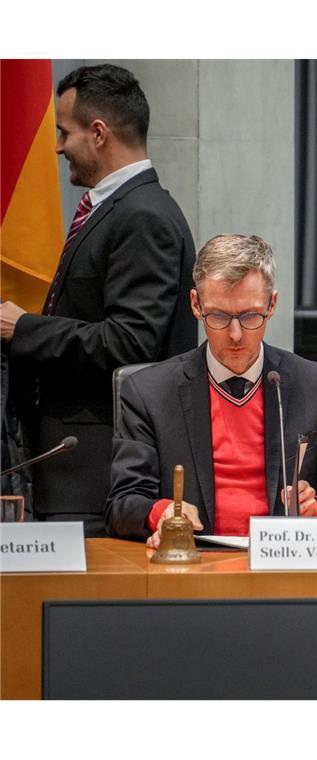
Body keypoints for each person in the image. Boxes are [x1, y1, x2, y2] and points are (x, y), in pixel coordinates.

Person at [0, 64, 196, 534]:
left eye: (64, 132)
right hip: (70, 466)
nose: (57, 146)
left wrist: (23, 328)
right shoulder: (118, 209)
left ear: (99, 133)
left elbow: (131, 343)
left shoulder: (144, 216)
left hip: (95, 472)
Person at [106, 234, 317, 546]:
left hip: (284, 564)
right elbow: (122, 505)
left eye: (251, 315)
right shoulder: (148, 391)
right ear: (196, 305)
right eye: (219, 316)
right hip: (193, 562)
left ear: (272, 305)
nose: (236, 334)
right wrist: (163, 513)